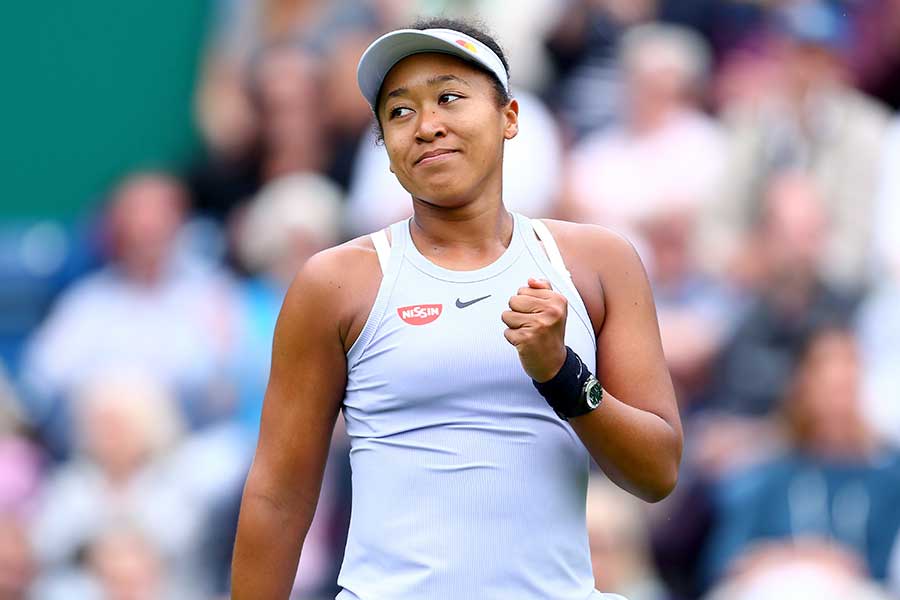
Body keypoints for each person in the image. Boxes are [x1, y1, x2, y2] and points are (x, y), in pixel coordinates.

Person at [231, 17, 682, 600]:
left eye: (448, 97)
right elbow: (278, 494)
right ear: (387, 155)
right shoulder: (335, 283)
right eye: (399, 112)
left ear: (509, 119)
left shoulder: (601, 263)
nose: (426, 126)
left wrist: (563, 374)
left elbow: (657, 473)